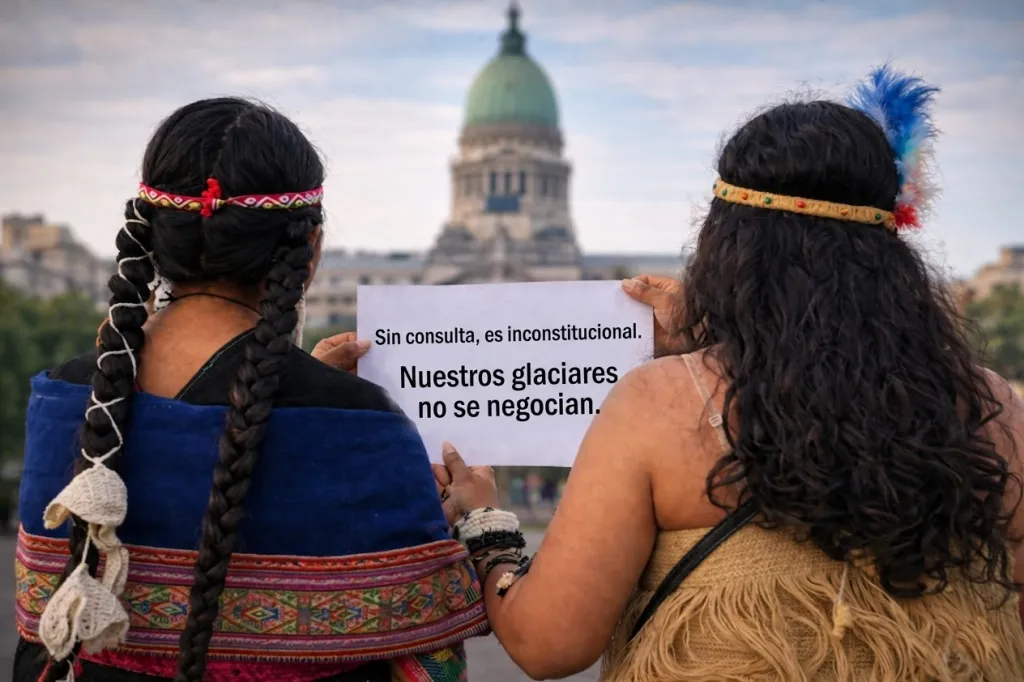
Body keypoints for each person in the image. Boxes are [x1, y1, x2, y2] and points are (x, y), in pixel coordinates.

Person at [435, 66, 1024, 681]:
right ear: (892, 248)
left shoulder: (661, 402)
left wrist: (488, 530)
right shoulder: (994, 407)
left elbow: (548, 643)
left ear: (726, 245)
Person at [13, 98, 486, 682]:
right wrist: (478, 523)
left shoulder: (63, 398)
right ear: (309, 252)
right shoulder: (363, 425)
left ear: (152, 240)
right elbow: (429, 662)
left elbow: (42, 634)